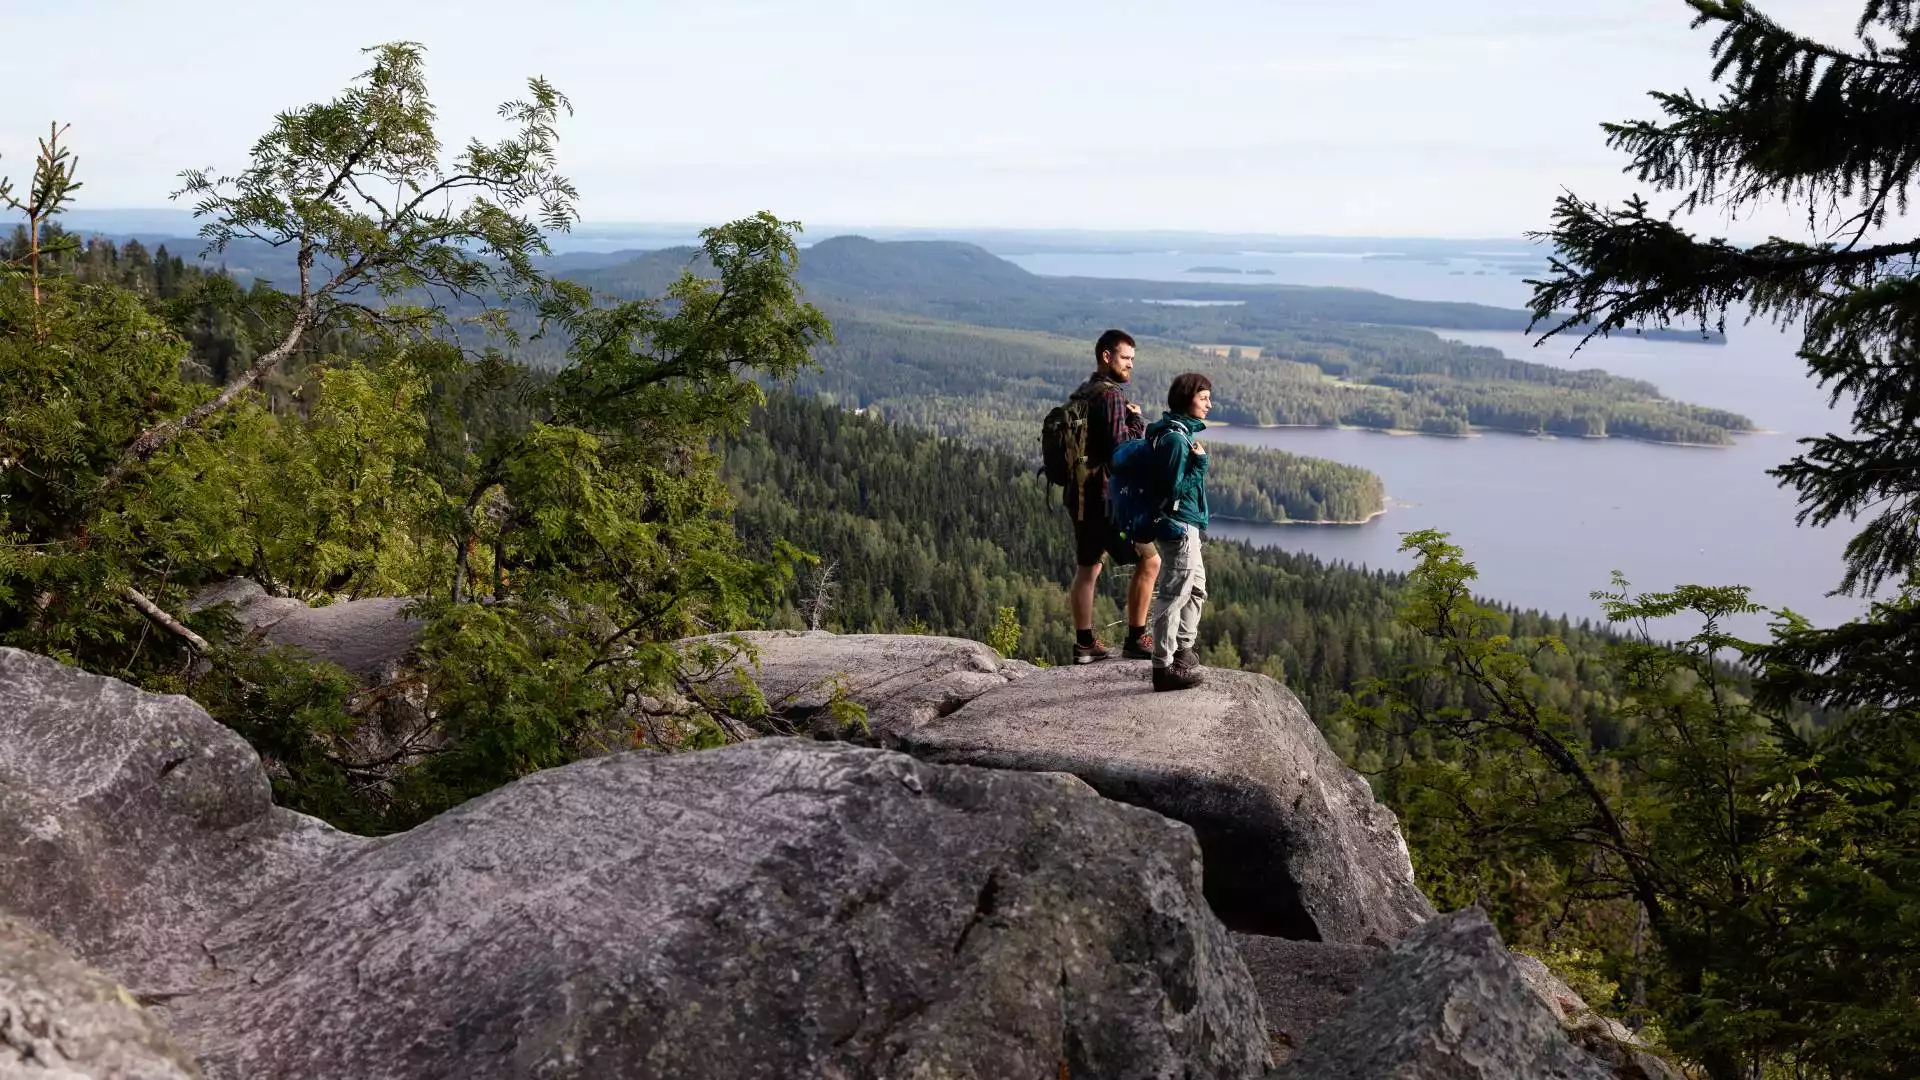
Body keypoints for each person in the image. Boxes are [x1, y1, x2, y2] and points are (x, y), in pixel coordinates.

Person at [1065, 329, 1161, 664]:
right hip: (1107, 500)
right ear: (1106, 356)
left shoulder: (1083, 392)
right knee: (1151, 561)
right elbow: (1123, 453)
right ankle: (1136, 638)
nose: (1130, 366)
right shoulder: (1112, 398)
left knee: (1087, 568)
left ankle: (1085, 644)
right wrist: (1136, 420)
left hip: (1079, 495)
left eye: (1132, 360)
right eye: (1125, 358)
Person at [1146, 372, 1213, 692]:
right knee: (1173, 596)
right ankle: (1163, 668)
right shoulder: (1175, 439)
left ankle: (1183, 651)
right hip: (1179, 528)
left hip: (1189, 527)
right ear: (1187, 399)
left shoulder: (1181, 434)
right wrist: (1200, 466)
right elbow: (1169, 494)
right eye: (1204, 398)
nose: (1209, 405)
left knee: (1196, 589)